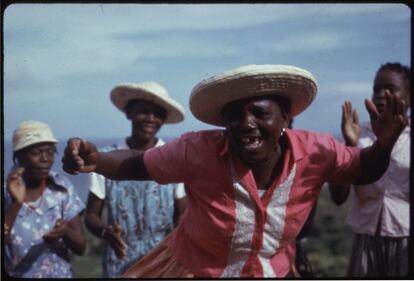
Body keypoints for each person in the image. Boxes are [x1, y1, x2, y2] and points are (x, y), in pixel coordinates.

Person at [61, 64, 408, 278]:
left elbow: (364, 169)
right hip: (194, 270)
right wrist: (98, 161)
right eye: (235, 116)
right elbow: (137, 164)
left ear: (285, 118)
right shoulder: (197, 150)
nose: (247, 125)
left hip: (272, 270)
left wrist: (384, 143)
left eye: (260, 113)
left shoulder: (317, 151)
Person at [83, 82, 187, 277]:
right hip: (119, 258)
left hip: (162, 259)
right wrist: (107, 233)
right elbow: (91, 215)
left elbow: (182, 213)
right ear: (129, 113)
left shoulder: (174, 159)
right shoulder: (104, 159)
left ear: (163, 120)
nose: (150, 119)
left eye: (157, 114)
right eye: (143, 111)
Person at [328, 62, 410, 277]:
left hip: (406, 238)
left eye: (391, 89)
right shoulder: (359, 133)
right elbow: (338, 197)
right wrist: (349, 144)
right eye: (377, 89)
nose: (382, 95)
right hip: (365, 238)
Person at [4, 120, 86, 278]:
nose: (45, 159)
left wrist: (65, 231)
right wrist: (15, 205)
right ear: (19, 156)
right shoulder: (5, 193)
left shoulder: (62, 188)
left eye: (49, 152)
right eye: (36, 152)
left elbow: (81, 247)